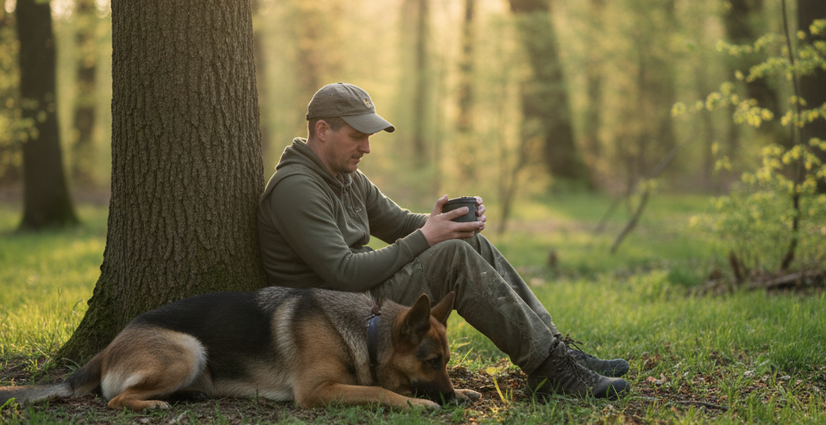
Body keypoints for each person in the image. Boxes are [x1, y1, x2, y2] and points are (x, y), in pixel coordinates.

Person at [256, 82, 629, 399]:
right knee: (451, 256)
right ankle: (551, 370)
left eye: (367, 138)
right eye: (357, 137)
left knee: (464, 243)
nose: (366, 148)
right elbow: (343, 273)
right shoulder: (297, 188)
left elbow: (399, 222)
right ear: (322, 130)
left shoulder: (346, 176)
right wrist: (429, 236)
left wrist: (447, 221)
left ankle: (556, 353)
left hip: (362, 303)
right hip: (333, 319)